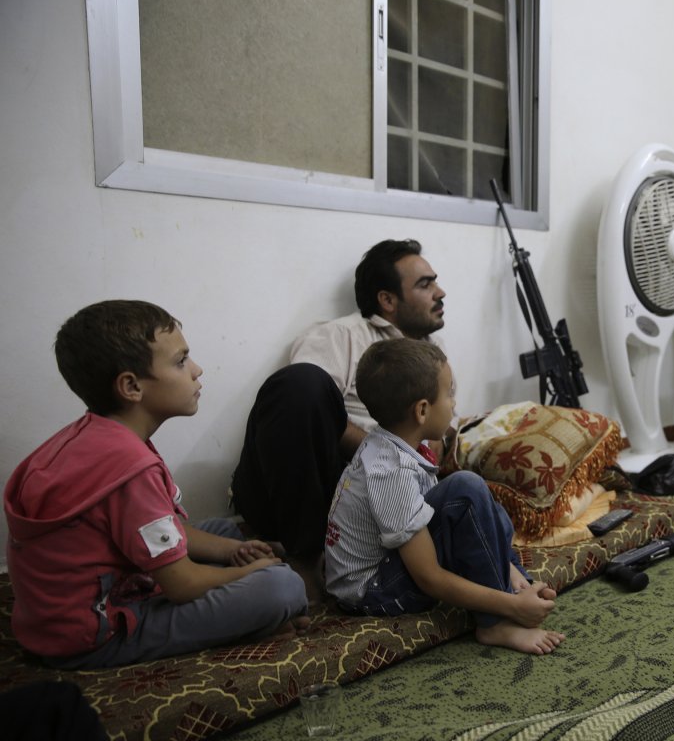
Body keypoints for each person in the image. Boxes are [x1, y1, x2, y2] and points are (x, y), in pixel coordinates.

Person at [4, 301, 309, 669]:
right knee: (282, 587)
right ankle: (248, 625)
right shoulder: (129, 469)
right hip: (93, 636)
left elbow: (170, 526)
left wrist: (230, 551)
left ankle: (244, 611)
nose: (196, 371)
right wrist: (247, 573)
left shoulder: (98, 436)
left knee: (221, 531)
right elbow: (182, 585)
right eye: (181, 362)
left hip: (57, 618)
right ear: (131, 386)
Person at [324, 339, 565, 655]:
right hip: (373, 590)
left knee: (482, 505)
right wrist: (509, 606)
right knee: (466, 491)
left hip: (391, 566)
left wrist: (511, 569)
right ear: (422, 410)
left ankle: (515, 584)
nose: (454, 403)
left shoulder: (396, 445)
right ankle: (496, 623)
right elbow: (429, 578)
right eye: (449, 393)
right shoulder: (389, 471)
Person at [231, 239, 447, 587]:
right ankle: (305, 561)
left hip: (384, 493)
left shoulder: (435, 355)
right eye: (425, 284)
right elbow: (302, 411)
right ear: (387, 300)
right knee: (301, 383)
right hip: (320, 485)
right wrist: (384, 455)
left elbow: (435, 436)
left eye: (435, 281)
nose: (440, 292)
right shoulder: (342, 336)